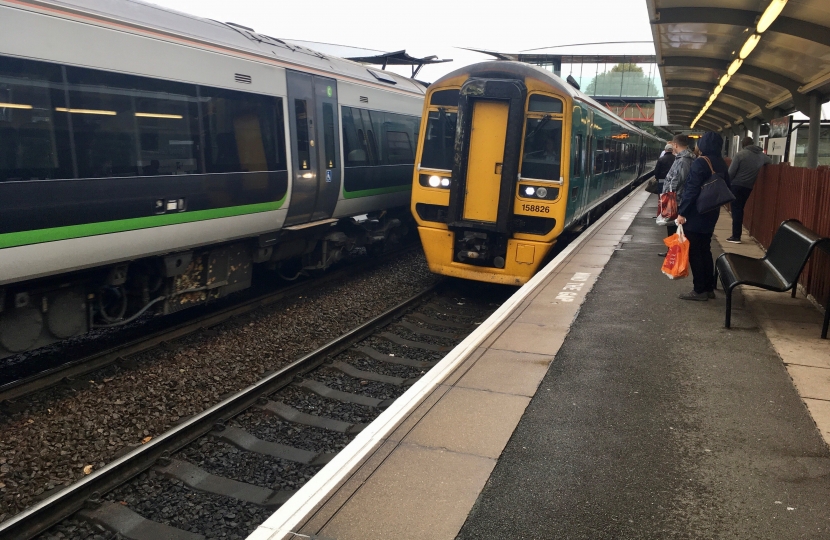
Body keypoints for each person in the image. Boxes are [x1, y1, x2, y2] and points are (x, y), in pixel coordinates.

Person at [675, 132, 730, 301]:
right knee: (705, 250)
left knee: (695, 252)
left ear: (704, 144)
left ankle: (699, 290)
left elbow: (691, 190)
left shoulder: (701, 162)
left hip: (696, 213)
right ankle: (708, 288)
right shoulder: (720, 163)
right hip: (711, 211)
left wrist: (682, 212)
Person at [726, 136, 771, 243]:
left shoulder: (740, 155)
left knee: (736, 210)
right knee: (740, 209)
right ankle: (736, 235)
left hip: (736, 185)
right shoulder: (761, 156)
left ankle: (736, 236)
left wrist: (726, 184)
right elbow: (770, 161)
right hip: (748, 186)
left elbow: (731, 173)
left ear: (743, 144)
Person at [657, 135, 695, 256]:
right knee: (672, 226)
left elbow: (678, 180)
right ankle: (672, 250)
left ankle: (673, 252)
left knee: (673, 226)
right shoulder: (684, 158)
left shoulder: (683, 160)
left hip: (675, 199)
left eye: (673, 144)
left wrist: (668, 195)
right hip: (675, 198)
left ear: (676, 145)